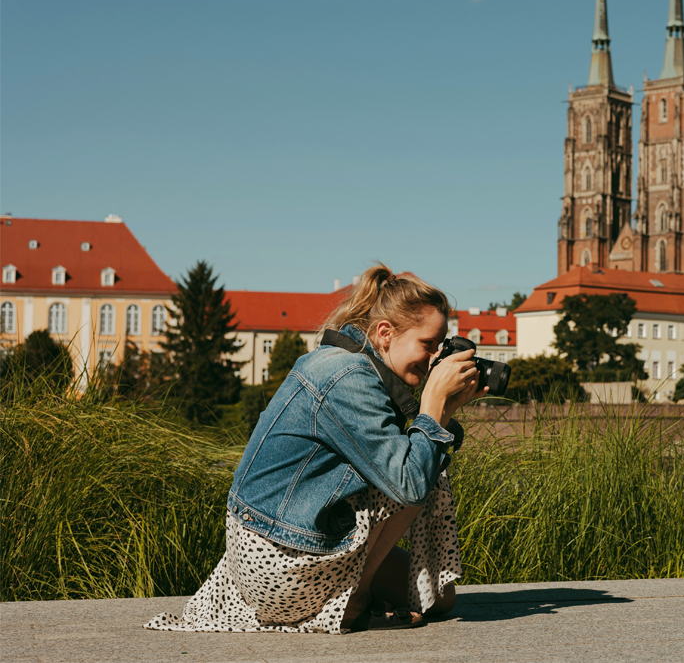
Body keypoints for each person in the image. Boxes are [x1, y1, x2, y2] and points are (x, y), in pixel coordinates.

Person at [146, 265, 483, 633]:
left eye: (439, 347)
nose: (434, 359)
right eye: (428, 344)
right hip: (278, 564)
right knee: (420, 467)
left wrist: (445, 406)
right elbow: (410, 482)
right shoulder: (349, 377)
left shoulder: (350, 363)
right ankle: (355, 601)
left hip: (276, 551)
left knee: (438, 598)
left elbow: (417, 455)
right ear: (385, 333)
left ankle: (355, 593)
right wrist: (433, 404)